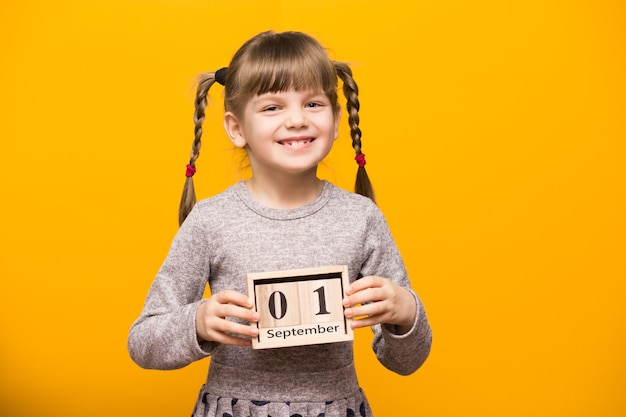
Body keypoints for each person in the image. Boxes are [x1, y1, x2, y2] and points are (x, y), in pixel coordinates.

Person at [128, 30, 432, 417]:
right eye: (273, 107)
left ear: (337, 120)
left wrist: (405, 313)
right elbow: (142, 342)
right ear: (237, 129)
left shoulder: (361, 218)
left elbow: (406, 361)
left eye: (313, 103)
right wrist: (198, 322)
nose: (296, 119)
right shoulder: (211, 220)